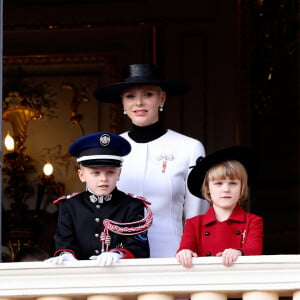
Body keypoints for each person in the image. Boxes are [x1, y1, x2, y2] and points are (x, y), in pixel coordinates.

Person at [94, 63, 210, 258]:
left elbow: (197, 214)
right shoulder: (110, 149)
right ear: (122, 102)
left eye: (148, 94)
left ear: (162, 98)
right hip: (117, 258)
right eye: (130, 96)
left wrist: (192, 252)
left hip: (174, 256)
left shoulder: (189, 147)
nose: (139, 103)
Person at [46, 132, 151, 266]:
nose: (103, 179)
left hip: (121, 276)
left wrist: (117, 254)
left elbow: (139, 247)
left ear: (119, 174)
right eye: (96, 172)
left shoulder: (132, 205)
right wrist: (66, 256)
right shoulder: (69, 205)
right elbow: (64, 242)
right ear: (81, 175)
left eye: (110, 172)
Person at [176, 146, 263, 268]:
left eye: (233, 183)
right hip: (205, 280)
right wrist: (185, 252)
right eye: (218, 184)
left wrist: (239, 252)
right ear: (207, 189)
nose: (226, 189)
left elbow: (254, 249)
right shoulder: (194, 224)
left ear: (242, 188)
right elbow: (186, 248)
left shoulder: (253, 221)